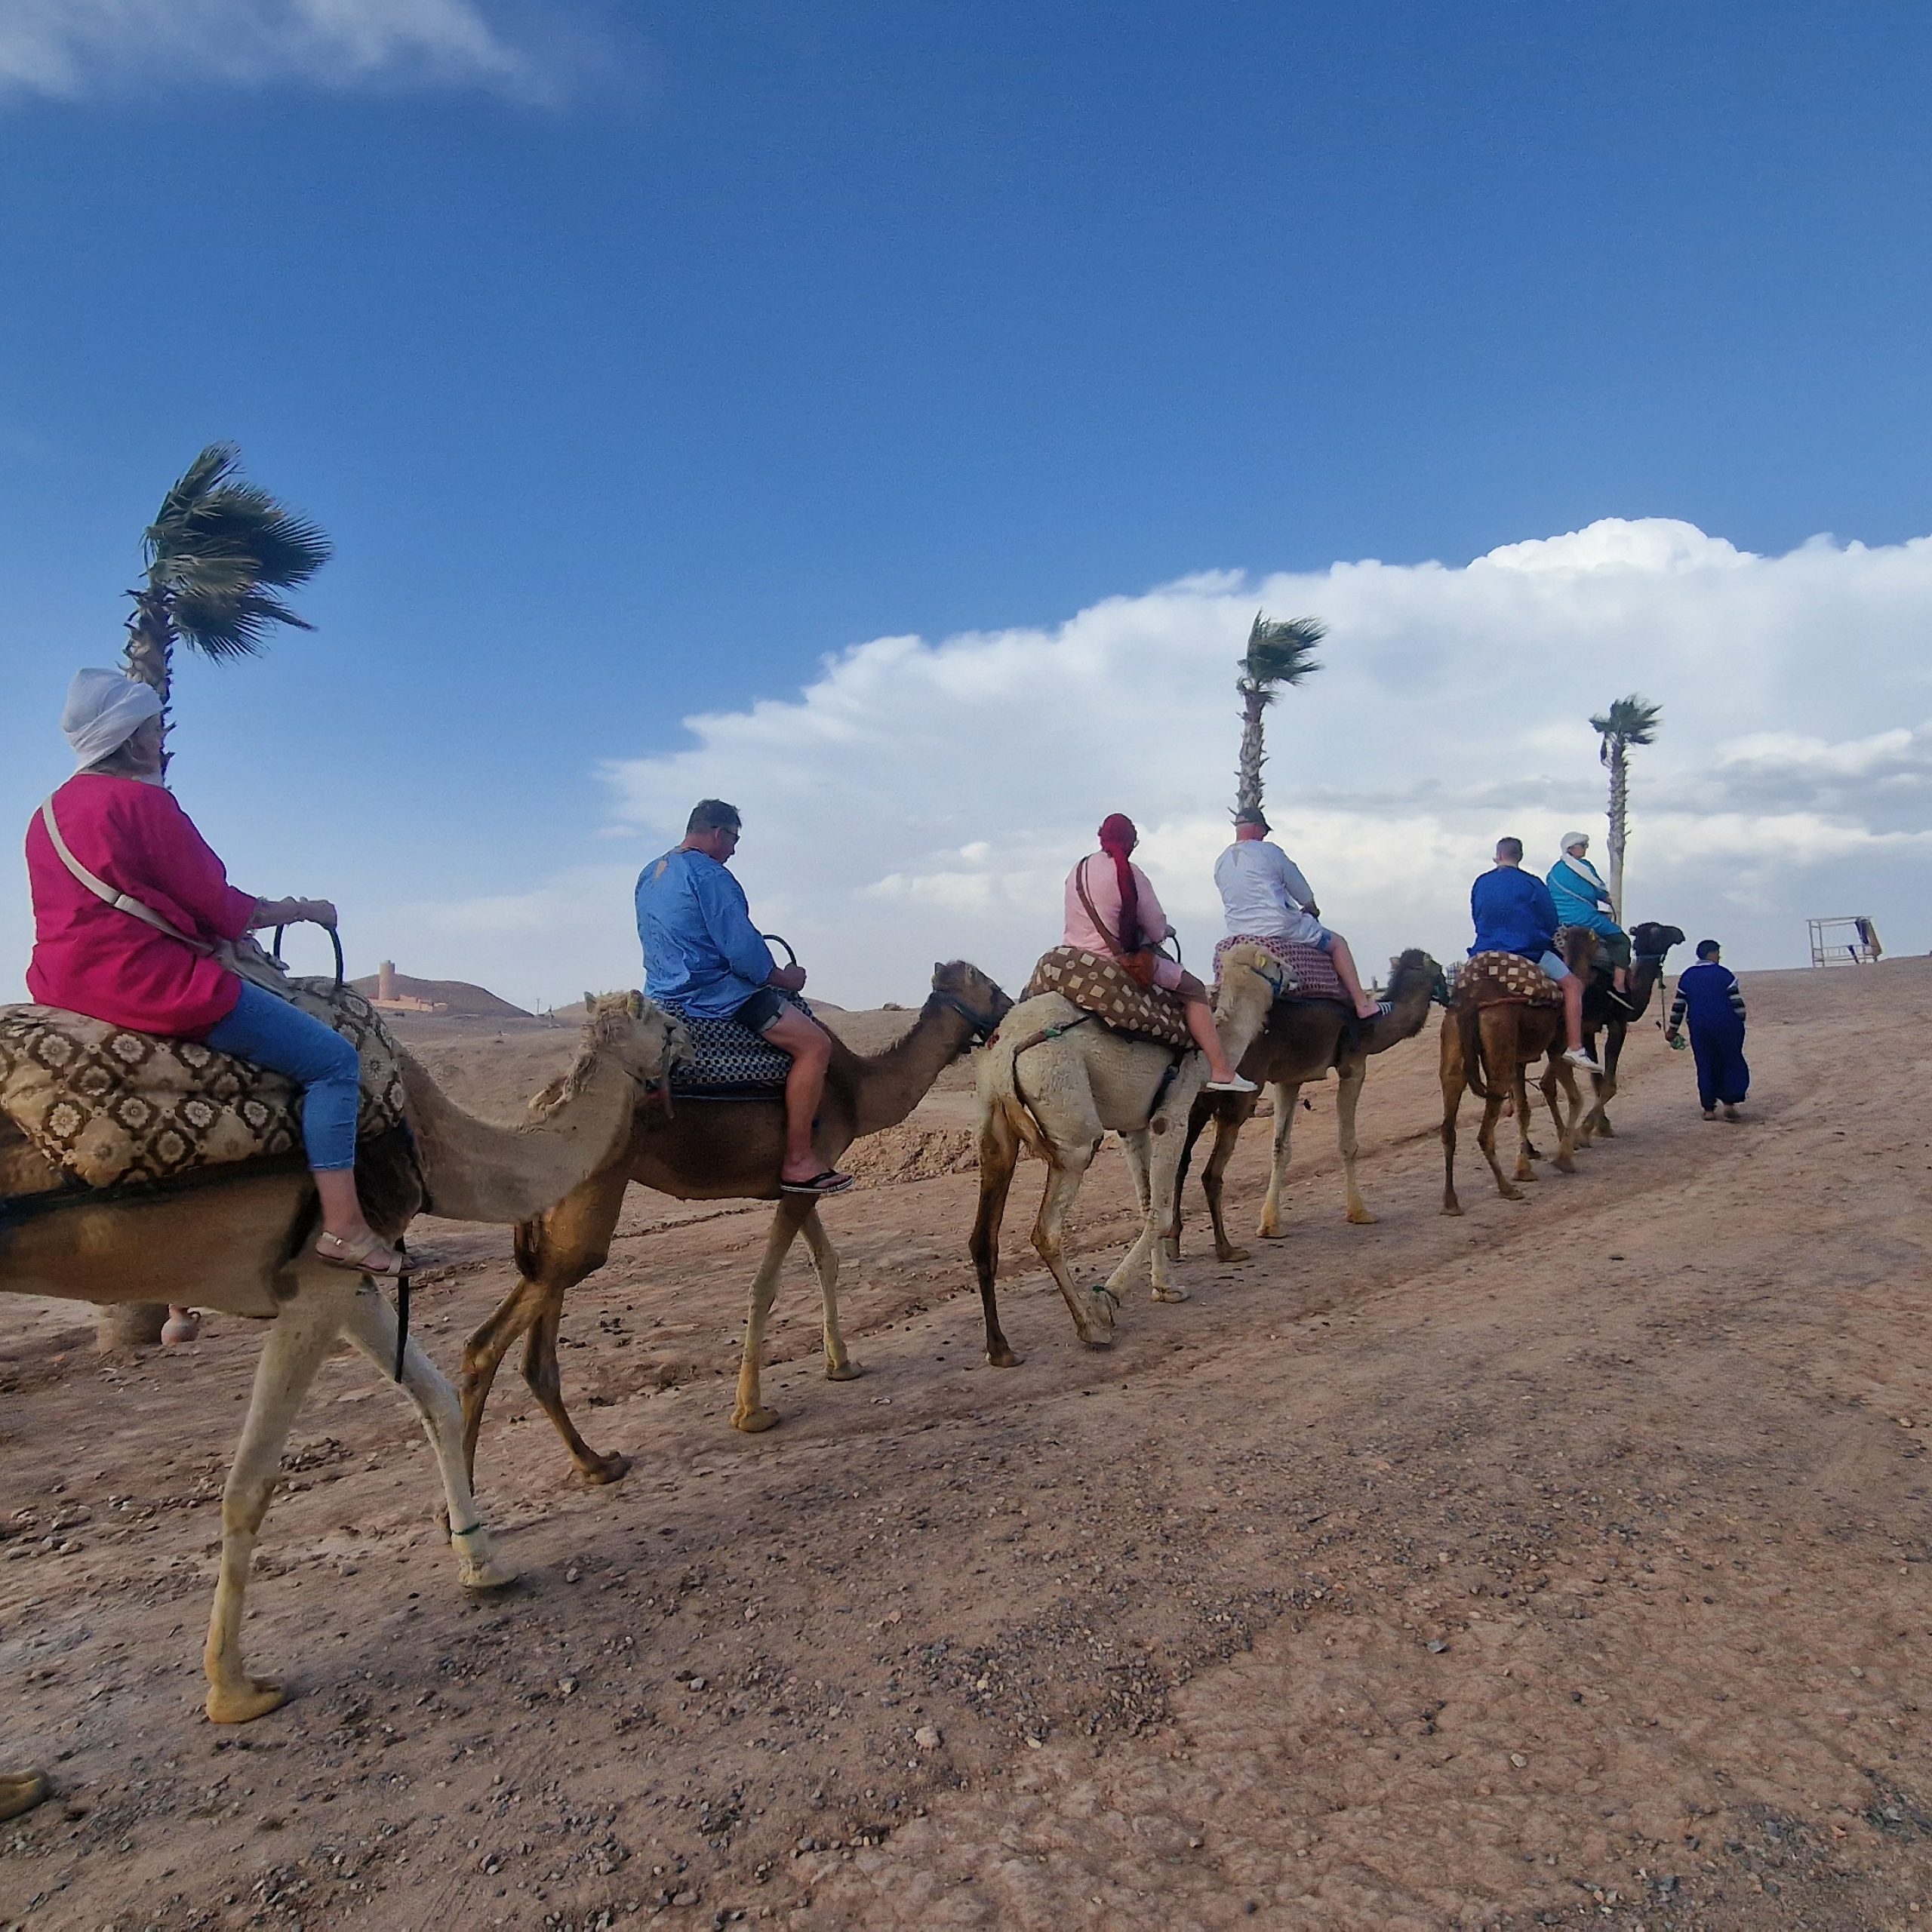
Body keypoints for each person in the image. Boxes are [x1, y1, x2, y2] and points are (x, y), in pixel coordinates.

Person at [24, 670, 404, 1285]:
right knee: (332, 1061)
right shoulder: (143, 803)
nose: (160, 739)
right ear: (132, 739)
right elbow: (227, 910)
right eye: (155, 728)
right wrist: (304, 910)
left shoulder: (44, 815)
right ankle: (345, 1226)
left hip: (64, 982)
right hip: (147, 980)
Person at [635, 798, 854, 1195]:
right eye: (734, 839)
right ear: (718, 833)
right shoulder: (710, 875)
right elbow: (742, 951)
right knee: (814, 1045)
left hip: (662, 996)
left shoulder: (651, 874)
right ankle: (799, 1161)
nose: (734, 850)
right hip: (715, 995)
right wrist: (783, 978)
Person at [1063, 814, 1256, 1093]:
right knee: (1193, 989)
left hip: (1076, 959)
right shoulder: (1130, 873)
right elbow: (1154, 929)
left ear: (1100, 837)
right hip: (1114, 961)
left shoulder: (1076, 871)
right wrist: (1165, 931)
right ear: (1133, 843)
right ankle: (1221, 1070)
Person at [1213, 808, 1383, 1022]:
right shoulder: (1270, 852)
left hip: (1237, 931)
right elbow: (1302, 892)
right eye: (1264, 831)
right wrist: (1311, 907)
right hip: (1278, 927)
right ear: (1257, 828)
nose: (1265, 835)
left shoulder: (1221, 861)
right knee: (1339, 943)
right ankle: (1362, 1003)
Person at [1469, 836, 1602, 1075]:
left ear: (1498, 856)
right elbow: (1551, 921)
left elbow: (1477, 917)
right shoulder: (1532, 884)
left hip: (1485, 953)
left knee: (1461, 993)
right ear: (1519, 857)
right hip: (1528, 952)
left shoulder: (1480, 883)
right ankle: (1575, 1047)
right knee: (1573, 986)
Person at [1665, 939, 1750, 1120]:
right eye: (1718, 952)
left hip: (1700, 1028)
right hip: (1727, 1027)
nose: (1719, 956)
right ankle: (1729, 1103)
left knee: (1705, 1064)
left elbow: (1678, 1006)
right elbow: (1738, 1005)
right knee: (1730, 1061)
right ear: (1711, 954)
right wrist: (1740, 1024)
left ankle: (1709, 1109)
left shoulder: (1687, 976)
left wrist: (1672, 1029)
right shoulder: (1725, 975)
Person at [1545, 832, 1635, 1001]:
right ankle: (1619, 985)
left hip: (1561, 923)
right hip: (1586, 919)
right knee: (1622, 940)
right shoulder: (1584, 867)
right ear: (1571, 848)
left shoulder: (1553, 872)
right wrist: (1607, 898)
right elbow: (1596, 890)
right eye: (1583, 846)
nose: (1586, 849)